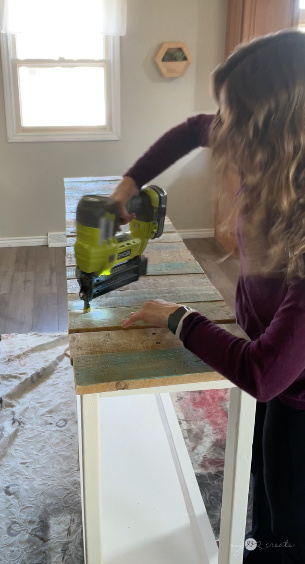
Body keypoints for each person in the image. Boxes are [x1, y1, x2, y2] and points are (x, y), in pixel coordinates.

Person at [112, 30, 305, 563]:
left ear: (271, 134)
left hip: (296, 397)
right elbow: (192, 130)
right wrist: (129, 184)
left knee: (286, 518)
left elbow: (265, 375)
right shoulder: (278, 165)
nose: (220, 131)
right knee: (263, 481)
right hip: (280, 367)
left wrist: (180, 318)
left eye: (232, 121)